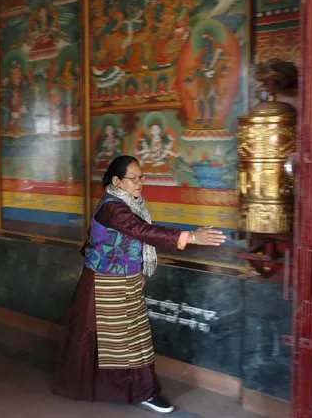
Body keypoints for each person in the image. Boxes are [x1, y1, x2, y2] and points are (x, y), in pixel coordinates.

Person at [53, 155, 226, 414]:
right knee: (104, 340)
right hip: (102, 285)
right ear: (116, 181)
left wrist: (138, 270)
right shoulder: (113, 208)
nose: (140, 182)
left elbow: (134, 237)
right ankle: (124, 390)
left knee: (134, 339)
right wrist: (191, 236)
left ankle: (142, 390)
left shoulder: (131, 204)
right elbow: (142, 231)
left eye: (141, 176)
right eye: (134, 178)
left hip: (127, 280)